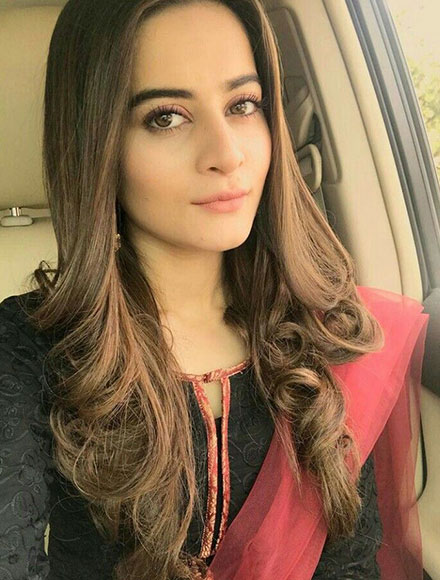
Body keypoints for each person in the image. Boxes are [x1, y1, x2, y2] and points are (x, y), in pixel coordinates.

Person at [0, 0, 429, 579]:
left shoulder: (327, 334)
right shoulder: (30, 347)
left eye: (243, 105)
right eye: (166, 117)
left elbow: (350, 564)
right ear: (95, 143)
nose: (228, 155)